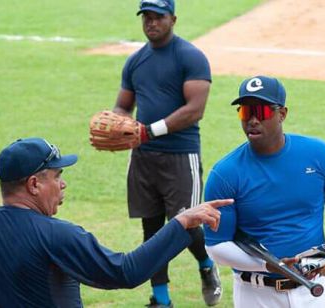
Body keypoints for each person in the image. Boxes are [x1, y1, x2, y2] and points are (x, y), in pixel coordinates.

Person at [0, 137, 232, 307]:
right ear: (34, 184)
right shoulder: (56, 235)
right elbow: (125, 271)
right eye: (57, 176)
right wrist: (181, 223)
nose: (63, 183)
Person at [203, 76, 325, 308]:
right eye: (246, 112)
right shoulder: (225, 174)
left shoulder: (319, 154)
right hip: (256, 295)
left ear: (282, 114)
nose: (253, 120)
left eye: (262, 111)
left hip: (316, 289)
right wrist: (266, 265)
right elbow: (216, 246)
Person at [112, 0, 220, 307]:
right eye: (146, 17)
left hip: (180, 155)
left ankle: (206, 265)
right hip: (143, 157)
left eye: (158, 16)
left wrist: (148, 131)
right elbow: (123, 104)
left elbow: (194, 110)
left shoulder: (191, 57)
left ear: (173, 18)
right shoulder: (135, 61)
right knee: (152, 230)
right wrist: (119, 121)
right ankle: (161, 299)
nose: (151, 22)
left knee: (187, 223)